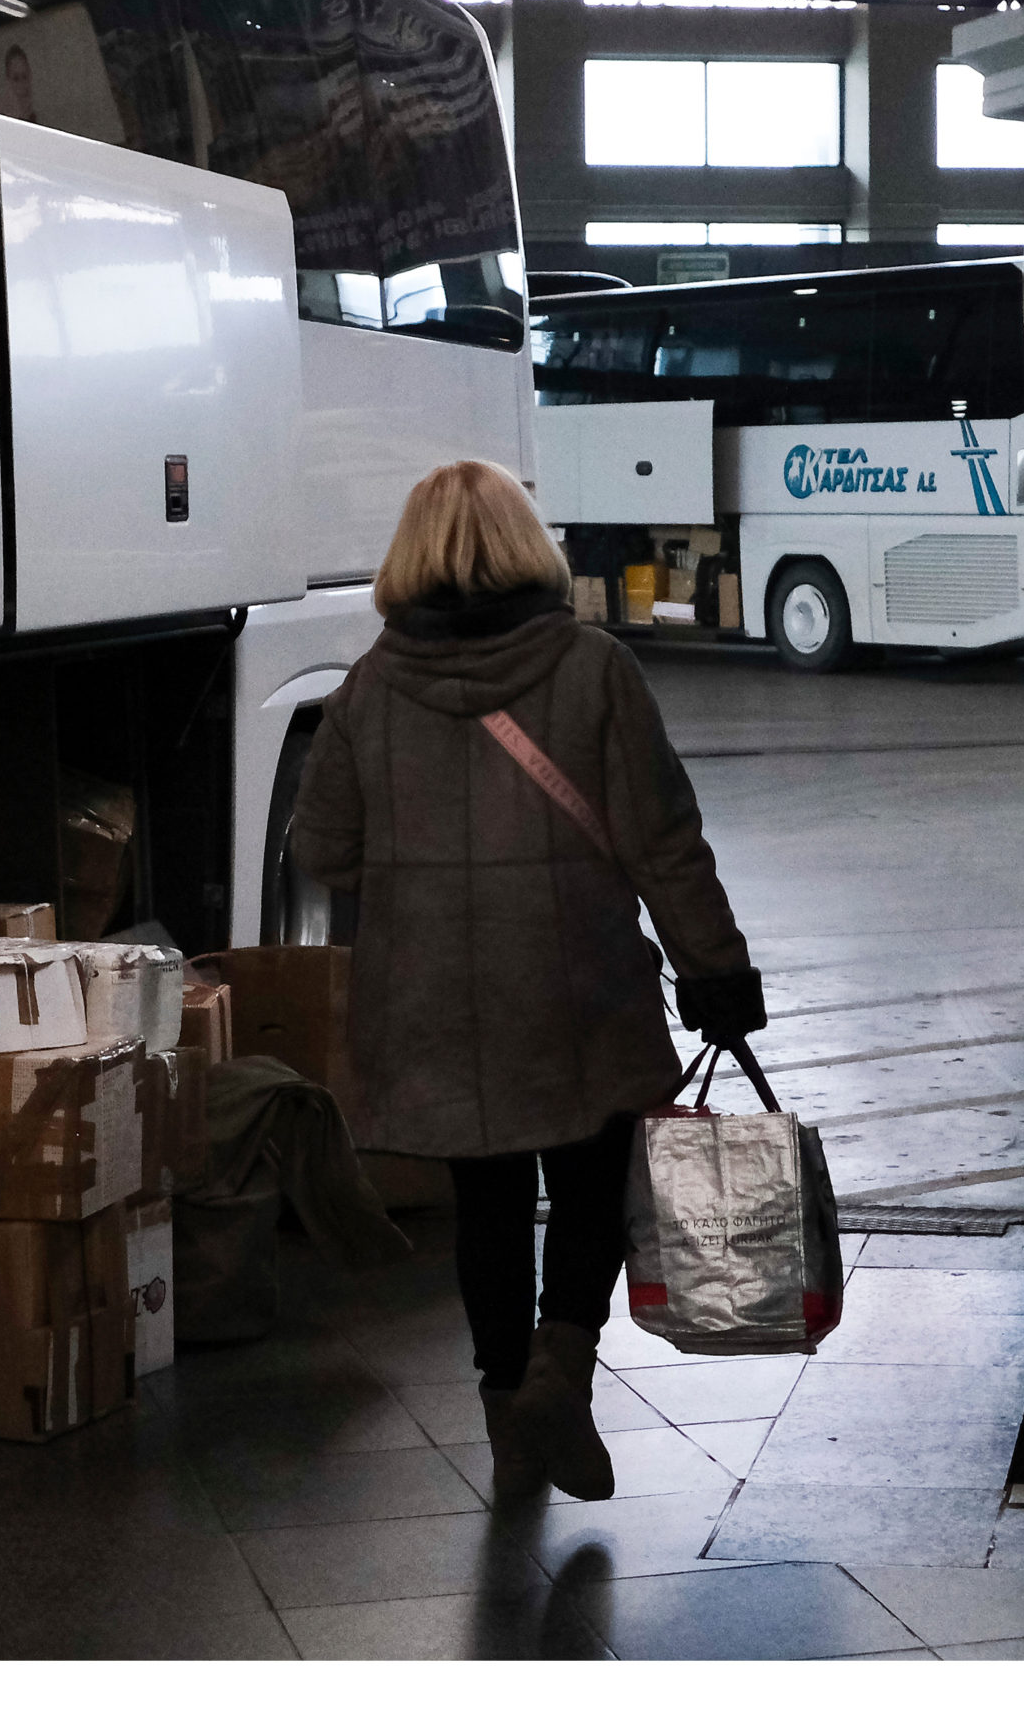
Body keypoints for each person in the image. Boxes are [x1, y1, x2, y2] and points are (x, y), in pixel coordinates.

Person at [288, 460, 765, 1502]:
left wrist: (419, 869)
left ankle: (508, 1415)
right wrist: (716, 969)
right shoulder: (594, 670)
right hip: (576, 982)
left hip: (428, 998)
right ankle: (562, 1368)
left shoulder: (366, 688)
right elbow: (663, 842)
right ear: (526, 545)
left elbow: (322, 849)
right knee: (592, 1180)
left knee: (488, 1204)